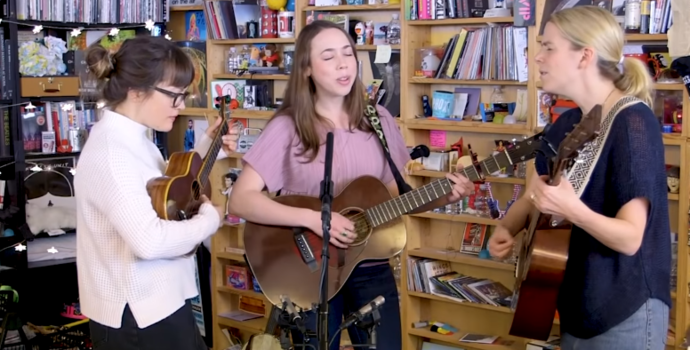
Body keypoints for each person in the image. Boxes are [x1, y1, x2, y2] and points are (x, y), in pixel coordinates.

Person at [227, 20, 475, 350]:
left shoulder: (379, 120)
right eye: (328, 56)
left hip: (370, 267)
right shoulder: (287, 127)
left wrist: (444, 195)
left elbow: (393, 199)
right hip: (307, 270)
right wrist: (314, 219)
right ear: (306, 70)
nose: (344, 63)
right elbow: (240, 201)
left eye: (348, 52)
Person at [488, 6, 671, 350]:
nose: (537, 57)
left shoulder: (633, 123)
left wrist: (573, 211)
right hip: (574, 305)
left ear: (585, 56)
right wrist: (506, 227)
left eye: (549, 47)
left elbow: (631, 238)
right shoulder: (567, 122)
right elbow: (536, 194)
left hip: (624, 309)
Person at [75, 35, 240, 350]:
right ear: (136, 91)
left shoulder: (132, 139)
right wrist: (210, 219)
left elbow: (163, 190)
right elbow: (149, 242)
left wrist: (210, 147)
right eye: (174, 96)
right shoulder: (113, 152)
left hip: (154, 307)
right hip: (137, 316)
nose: (180, 106)